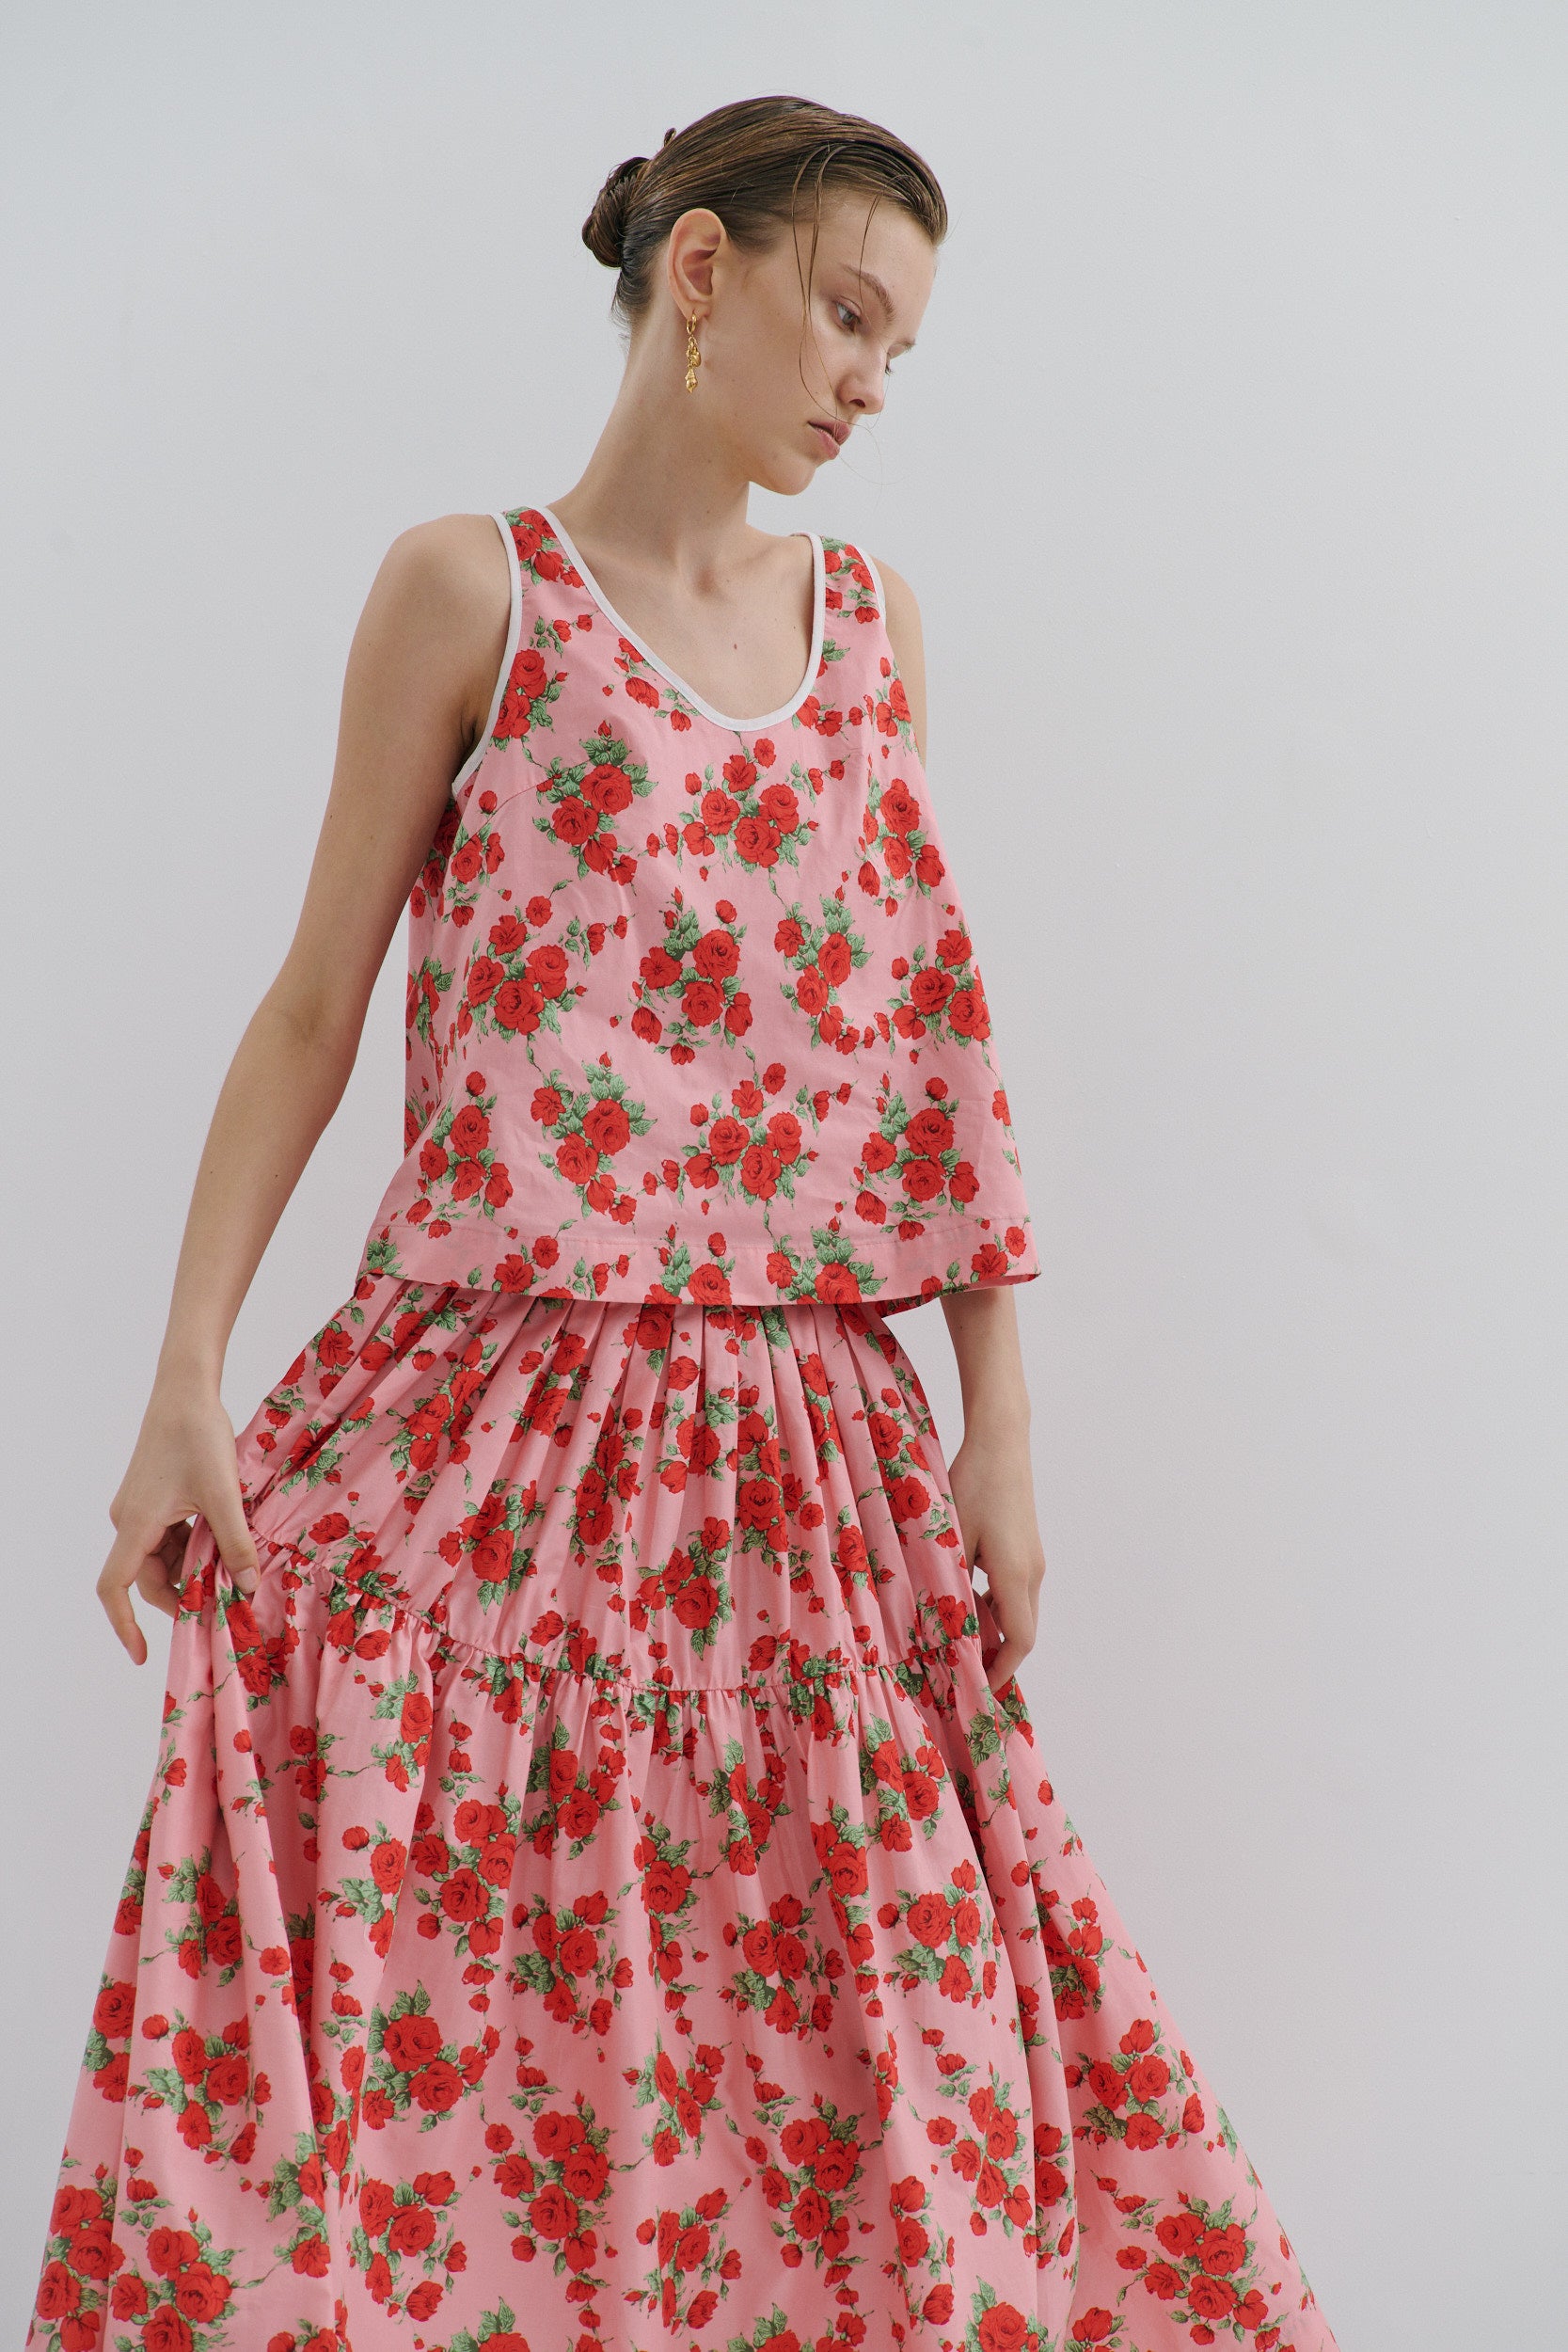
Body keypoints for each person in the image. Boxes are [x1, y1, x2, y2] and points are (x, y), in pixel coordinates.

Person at [29, 94, 1339, 2352]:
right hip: (487, 1422)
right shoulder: (473, 592)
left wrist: (1000, 1420)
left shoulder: (870, 627)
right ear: (704, 275)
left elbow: (929, 1038)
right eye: (847, 313)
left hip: (802, 1465)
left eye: (901, 350)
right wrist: (186, 1378)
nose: (866, 382)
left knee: (853, 2027)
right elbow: (316, 1001)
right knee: (480, 1995)